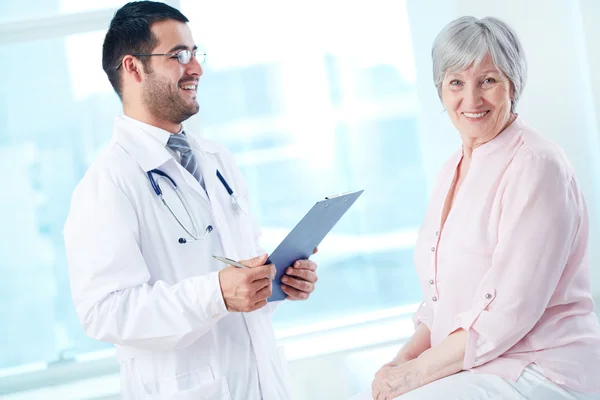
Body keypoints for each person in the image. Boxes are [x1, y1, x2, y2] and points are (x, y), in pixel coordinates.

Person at [63, 2, 319, 399]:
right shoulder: (107, 183)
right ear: (133, 68)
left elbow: (235, 284)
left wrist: (274, 283)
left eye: (196, 53)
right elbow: (104, 313)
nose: (196, 67)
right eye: (179, 55)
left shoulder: (217, 160)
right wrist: (216, 293)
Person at [355, 16, 600, 400]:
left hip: (541, 368)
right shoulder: (451, 170)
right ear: (440, 90)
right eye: (456, 82)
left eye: (487, 81)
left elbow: (507, 310)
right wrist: (397, 366)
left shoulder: (536, 165)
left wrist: (412, 377)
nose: (471, 100)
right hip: (478, 365)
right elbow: (440, 306)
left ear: (513, 85)